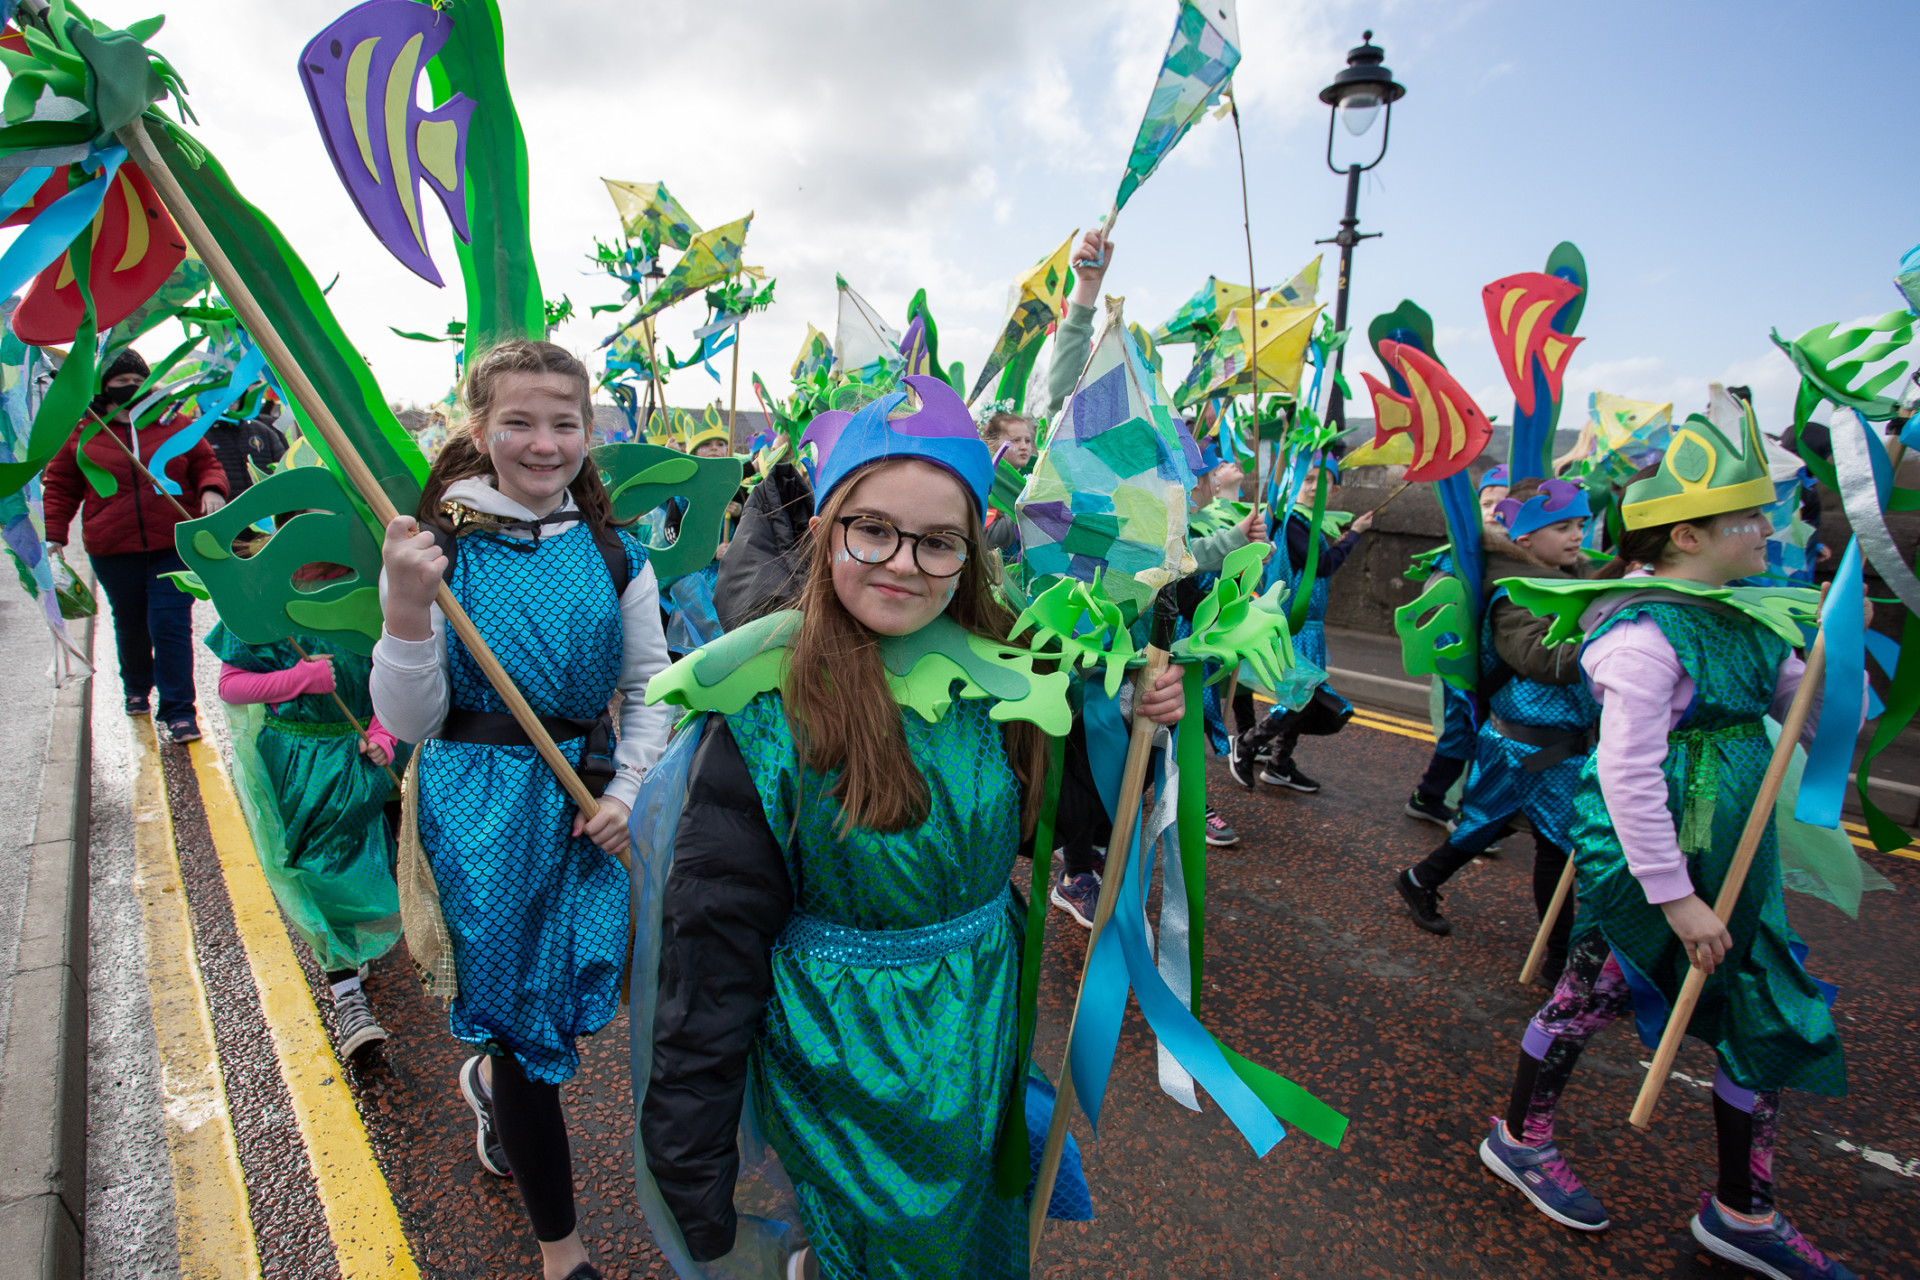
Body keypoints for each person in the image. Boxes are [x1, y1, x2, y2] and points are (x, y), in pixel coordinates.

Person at [639, 377, 1184, 1277]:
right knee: (881, 1247)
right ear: (825, 534)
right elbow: (711, 949)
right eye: (874, 530)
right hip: (845, 1050)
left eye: (937, 542)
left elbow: (1060, 824)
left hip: (979, 1022)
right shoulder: (768, 714)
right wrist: (691, 1161)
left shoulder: (1001, 676)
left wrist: (1127, 735)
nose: (902, 564)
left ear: (971, 555)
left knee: (974, 1231)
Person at [1478, 409, 1861, 1279]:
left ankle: (1744, 1212)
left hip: (1736, 856)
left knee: (1764, 1011)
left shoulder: (1754, 618)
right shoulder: (1643, 634)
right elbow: (1626, 774)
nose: (1766, 528)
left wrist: (1836, 656)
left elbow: (1812, 717)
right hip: (1648, 862)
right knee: (1589, 997)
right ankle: (1520, 1139)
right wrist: (1675, 897)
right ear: (1687, 535)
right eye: (1746, 518)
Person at [372, 339, 675, 1280]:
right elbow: (411, 720)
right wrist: (405, 606)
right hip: (478, 811)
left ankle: (490, 1081)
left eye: (564, 423)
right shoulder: (436, 554)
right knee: (516, 1023)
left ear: (587, 432)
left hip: (586, 803)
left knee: (576, 994)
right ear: (479, 429)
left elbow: (652, 687)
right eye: (519, 422)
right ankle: (562, 1252)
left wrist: (628, 791)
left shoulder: (618, 553)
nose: (545, 444)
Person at [1394, 479, 1598, 984]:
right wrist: (1612, 641)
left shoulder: (1571, 579)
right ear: (1525, 538)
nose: (1577, 536)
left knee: (1492, 823)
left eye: (1580, 524)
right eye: (1562, 527)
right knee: (1555, 846)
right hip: (1528, 744)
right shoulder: (1513, 593)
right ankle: (1558, 959)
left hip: (1555, 742)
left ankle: (1420, 878)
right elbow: (1541, 660)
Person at [207, 610, 404, 1060]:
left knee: (361, 866)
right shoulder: (263, 605)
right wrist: (295, 680)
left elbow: (399, 678)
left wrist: (383, 733)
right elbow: (231, 684)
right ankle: (348, 997)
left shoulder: (368, 598)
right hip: (294, 765)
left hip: (359, 762)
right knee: (316, 870)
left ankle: (344, 947)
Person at [41, 347, 228, 742]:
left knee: (170, 625)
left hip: (171, 544)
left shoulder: (172, 421)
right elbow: (60, 485)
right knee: (130, 624)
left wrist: (212, 488)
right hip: (112, 549)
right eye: (121, 381)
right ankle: (137, 687)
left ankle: (180, 711)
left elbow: (205, 462)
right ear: (103, 386)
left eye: (137, 380)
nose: (130, 386)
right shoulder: (85, 429)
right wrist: (54, 535)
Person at [1227, 451, 1372, 794]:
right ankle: (1247, 743)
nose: (1313, 487)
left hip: (1310, 629)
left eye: (1322, 482)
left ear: (1335, 490)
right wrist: (1354, 534)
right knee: (1300, 698)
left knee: (1301, 697)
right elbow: (1322, 565)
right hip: (1293, 627)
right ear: (1294, 483)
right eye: (1307, 479)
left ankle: (1280, 763)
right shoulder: (1293, 520)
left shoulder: (1310, 522)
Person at [202, 393, 289, 498]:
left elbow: (285, 466)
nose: (232, 400)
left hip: (268, 502)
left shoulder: (261, 430)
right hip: (230, 505)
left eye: (235, 393)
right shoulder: (201, 436)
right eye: (222, 395)